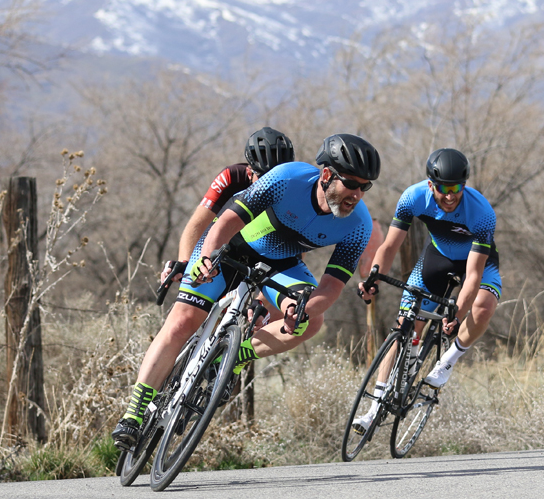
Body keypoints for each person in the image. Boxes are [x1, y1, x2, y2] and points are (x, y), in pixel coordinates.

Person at [112, 133, 382, 450]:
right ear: (326, 175)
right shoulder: (287, 178)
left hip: (282, 264)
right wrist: (206, 258)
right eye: (352, 184)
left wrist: (303, 310)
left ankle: (235, 357)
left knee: (314, 321)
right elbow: (225, 220)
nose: (358, 194)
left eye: (366, 187)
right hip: (233, 247)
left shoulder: (359, 224)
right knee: (183, 321)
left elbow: (331, 286)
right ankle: (134, 413)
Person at [352, 148, 500, 431]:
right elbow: (390, 246)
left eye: (456, 188)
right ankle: (372, 410)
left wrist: (458, 313)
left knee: (482, 307)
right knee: (405, 325)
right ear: (431, 184)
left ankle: (447, 363)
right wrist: (373, 280)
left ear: (464, 185)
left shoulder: (481, 212)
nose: (449, 195)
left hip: (476, 262)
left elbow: (472, 276)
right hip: (438, 257)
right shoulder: (413, 197)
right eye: (443, 188)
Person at [156, 127, 295, 291]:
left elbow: (297, 245)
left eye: (276, 180)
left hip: (267, 249)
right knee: (187, 315)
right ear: (249, 171)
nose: (268, 186)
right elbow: (198, 224)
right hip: (225, 242)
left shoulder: (294, 187)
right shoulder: (232, 177)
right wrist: (185, 262)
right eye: (262, 178)